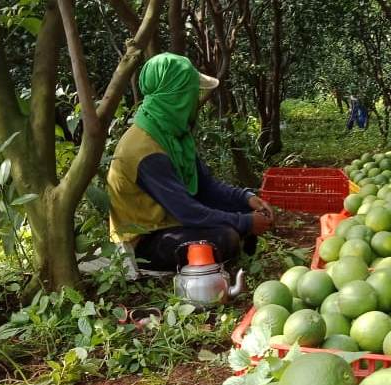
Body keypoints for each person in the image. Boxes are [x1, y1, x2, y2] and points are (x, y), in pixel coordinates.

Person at [107, 53, 274, 271]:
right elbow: (188, 211)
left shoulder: (171, 133)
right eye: (190, 93)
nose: (195, 100)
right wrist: (246, 222)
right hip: (145, 241)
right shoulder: (143, 149)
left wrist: (247, 198)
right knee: (225, 237)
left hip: (171, 221)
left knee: (240, 209)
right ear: (177, 96)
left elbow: (206, 186)